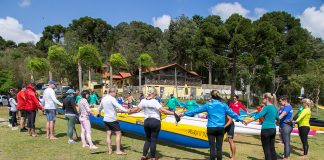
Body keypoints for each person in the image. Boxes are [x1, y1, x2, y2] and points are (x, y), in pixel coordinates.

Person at [179, 90, 245, 160]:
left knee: (212, 148)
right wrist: (242, 120)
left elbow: (196, 110)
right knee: (219, 148)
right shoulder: (223, 105)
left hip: (211, 128)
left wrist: (183, 114)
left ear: (211, 96)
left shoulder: (208, 105)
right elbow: (232, 114)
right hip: (220, 128)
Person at [129, 87, 177, 160]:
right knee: (153, 140)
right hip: (155, 122)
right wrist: (174, 113)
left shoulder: (143, 101)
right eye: (156, 95)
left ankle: (144, 156)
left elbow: (136, 110)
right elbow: (163, 111)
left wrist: (128, 111)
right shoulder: (155, 101)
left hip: (147, 122)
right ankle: (153, 158)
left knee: (148, 139)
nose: (156, 96)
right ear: (154, 94)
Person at [246, 93, 279, 160]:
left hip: (266, 129)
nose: (262, 99)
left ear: (267, 99)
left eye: (263, 98)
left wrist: (248, 121)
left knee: (266, 148)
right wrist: (277, 122)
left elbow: (259, 115)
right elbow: (277, 118)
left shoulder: (266, 107)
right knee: (272, 148)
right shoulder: (274, 107)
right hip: (273, 129)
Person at [98, 88, 129, 155]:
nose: (116, 94)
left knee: (108, 134)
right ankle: (118, 150)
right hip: (112, 119)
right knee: (118, 133)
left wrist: (98, 113)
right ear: (112, 92)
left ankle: (109, 150)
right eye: (116, 93)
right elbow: (118, 106)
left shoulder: (104, 98)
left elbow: (100, 107)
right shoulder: (112, 98)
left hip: (106, 119)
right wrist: (126, 110)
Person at [278, 96, 293, 160]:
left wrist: (275, 120)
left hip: (286, 126)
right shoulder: (284, 107)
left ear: (285, 101)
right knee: (285, 141)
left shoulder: (288, 107)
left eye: (280, 101)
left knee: (286, 142)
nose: (280, 103)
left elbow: (283, 114)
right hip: (283, 125)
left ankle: (286, 157)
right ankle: (286, 155)